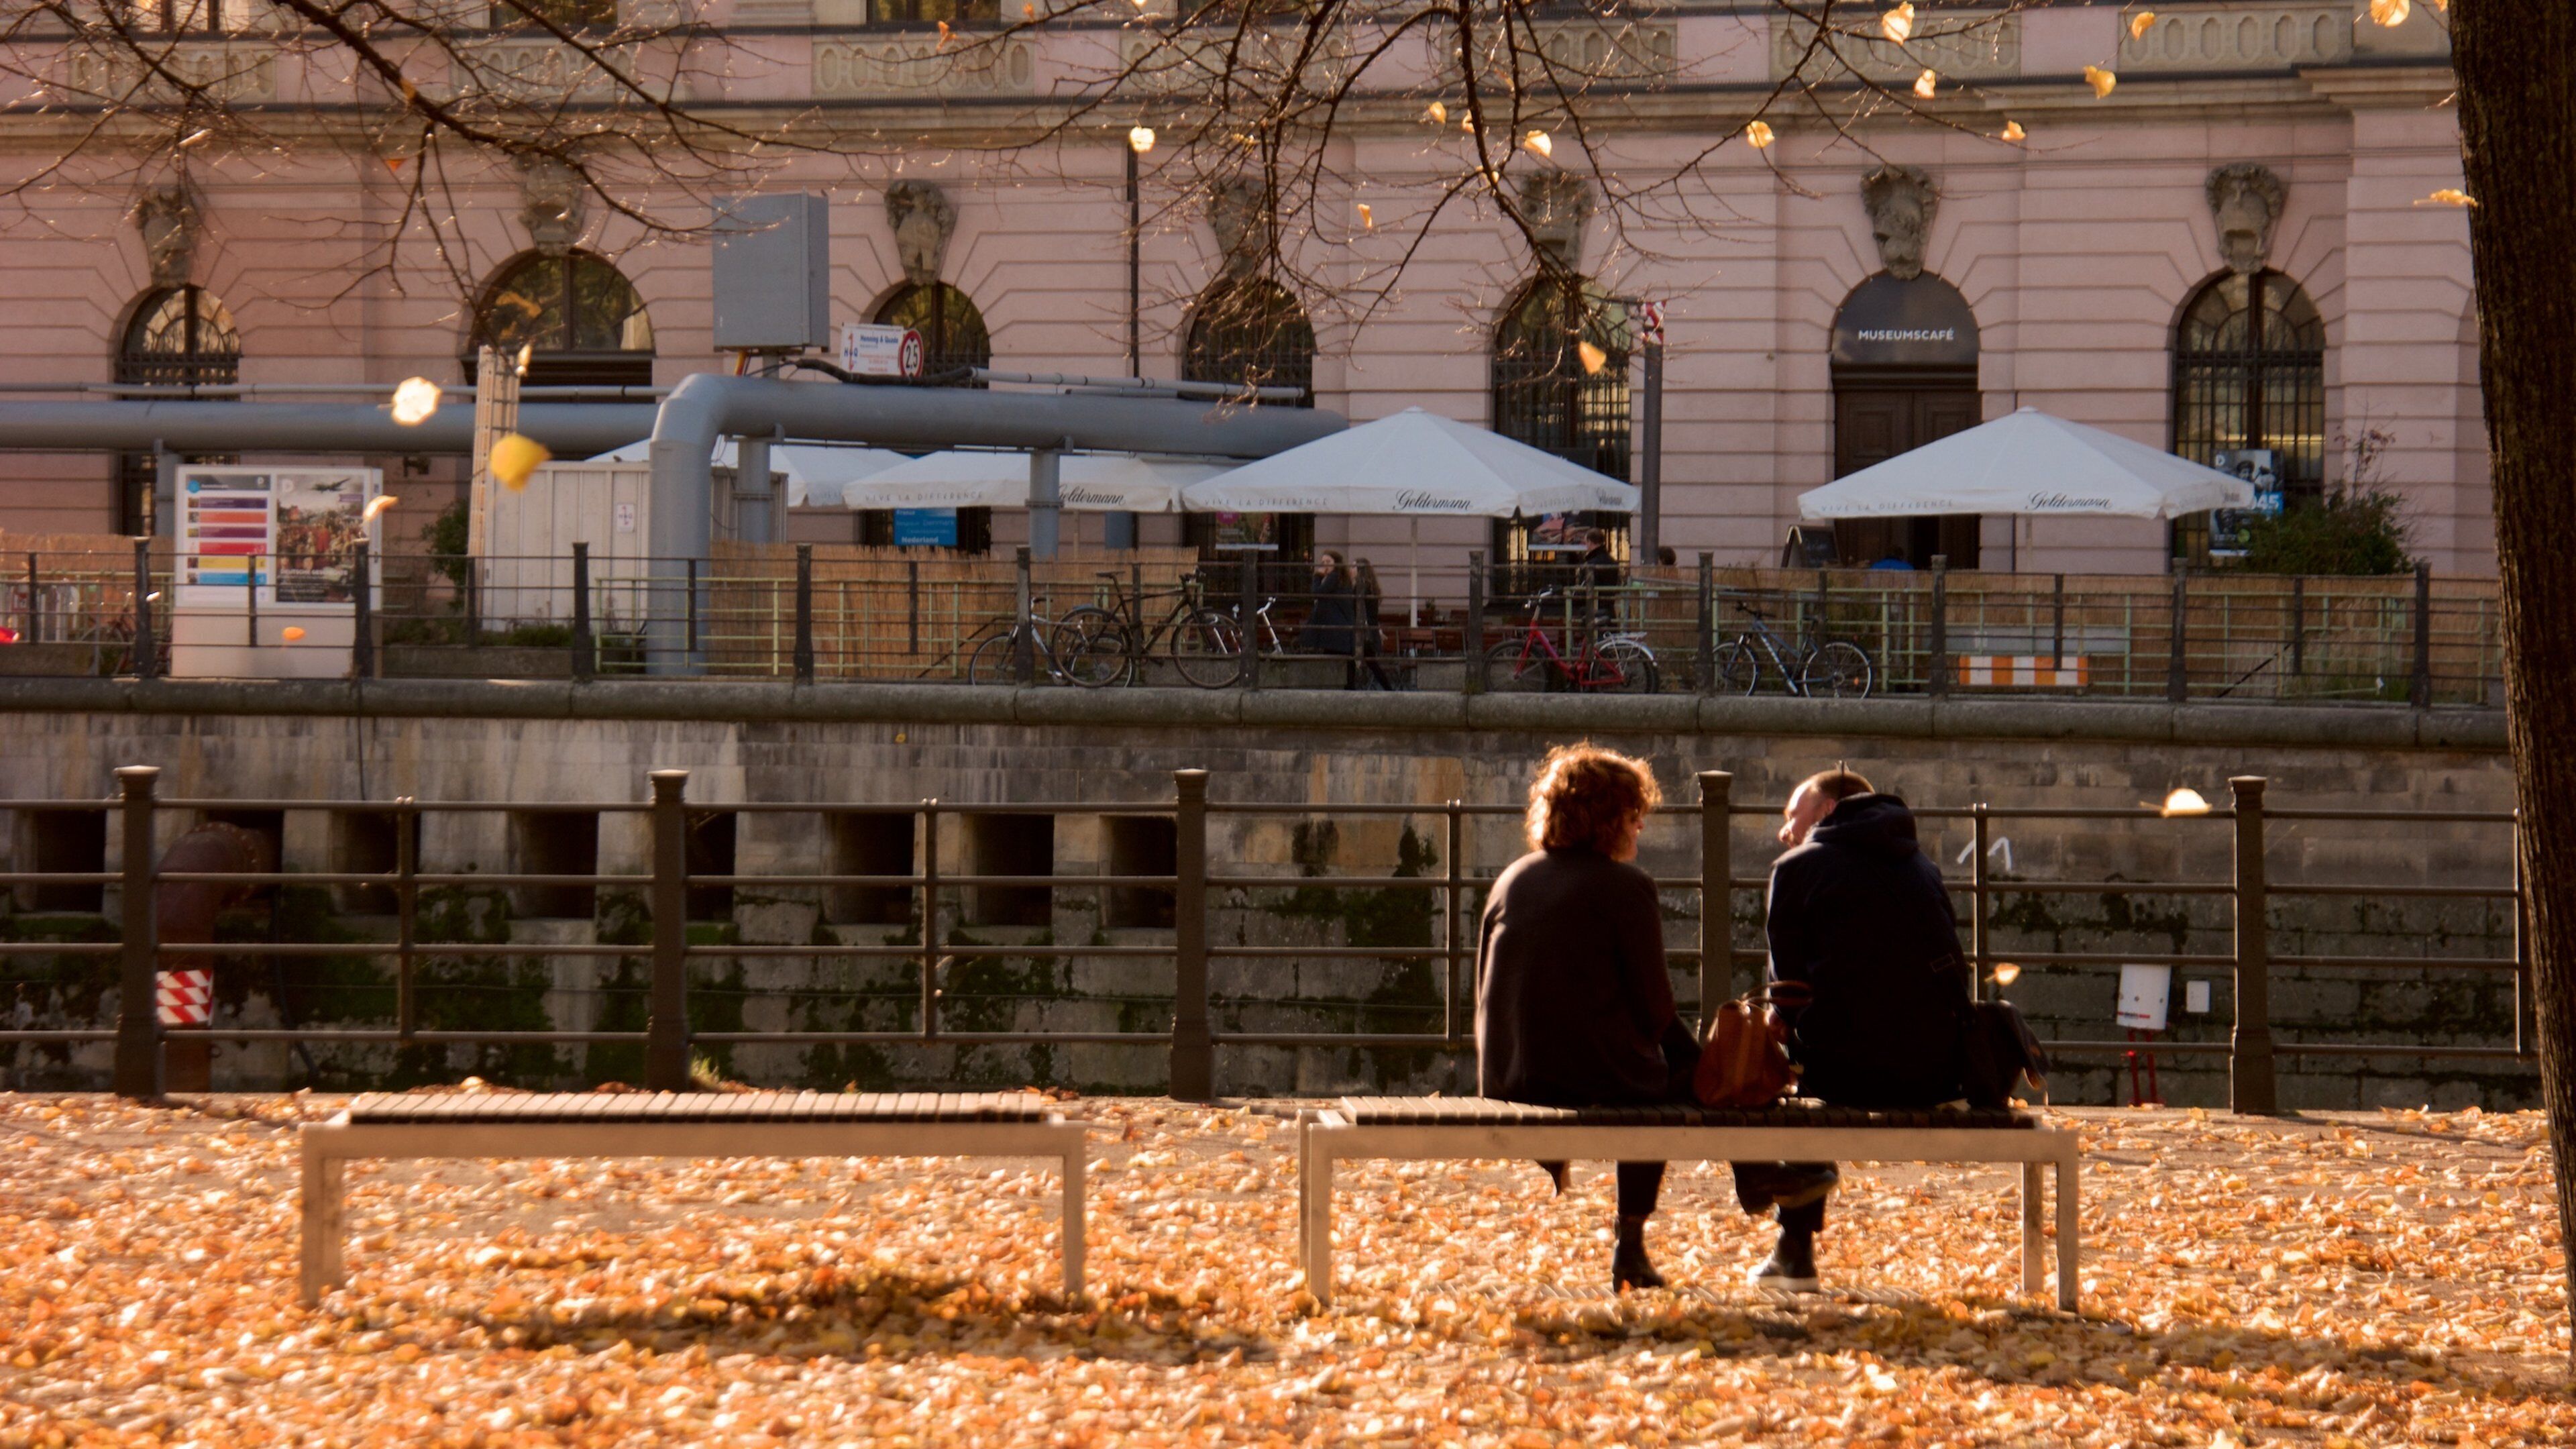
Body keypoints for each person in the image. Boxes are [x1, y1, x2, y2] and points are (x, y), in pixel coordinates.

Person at [1743, 766, 1974, 1291]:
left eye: (1792, 813)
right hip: (1939, 1070)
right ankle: (1790, 1248)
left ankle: (1794, 1249)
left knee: (1802, 1075)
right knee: (1824, 1043)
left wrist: (1782, 1021)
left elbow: (1787, 991)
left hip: (1844, 1075)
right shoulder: (1921, 865)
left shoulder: (1797, 867)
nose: (1785, 828)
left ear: (1827, 811)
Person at [1477, 743, 1697, 1291]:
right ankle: (1632, 1240)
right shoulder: (1627, 888)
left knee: (1659, 1071)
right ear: (1608, 820)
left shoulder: (1513, 878)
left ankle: (1760, 1176)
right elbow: (1655, 1009)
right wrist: (1700, 1057)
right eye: (1632, 814)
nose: (1640, 826)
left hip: (1508, 1076)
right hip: (1590, 1075)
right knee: (1669, 1083)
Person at [1296, 551, 1357, 669]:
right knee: (1341, 664)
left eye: (1328, 562)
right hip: (1340, 629)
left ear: (1336, 563)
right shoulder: (1342, 578)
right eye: (1323, 562)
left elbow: (1317, 593)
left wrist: (1317, 576)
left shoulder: (1334, 577)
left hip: (1335, 630)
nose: (1325, 565)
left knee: (1334, 663)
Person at [1350, 559, 1399, 691]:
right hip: (1369, 632)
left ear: (1360, 570)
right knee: (1371, 664)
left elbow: (1359, 611)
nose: (1351, 570)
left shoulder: (1360, 588)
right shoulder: (1370, 587)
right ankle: (1388, 689)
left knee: (1355, 662)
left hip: (1362, 633)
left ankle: (1350, 690)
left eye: (1353, 567)